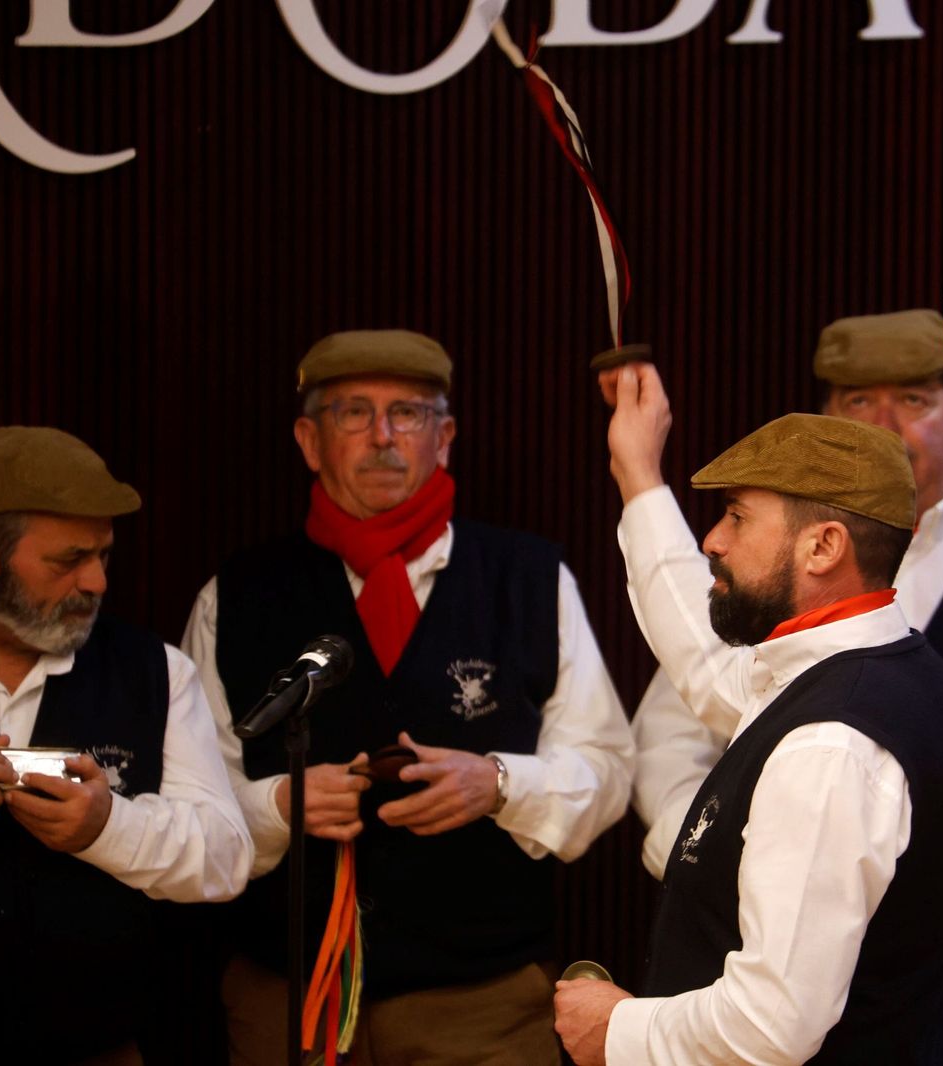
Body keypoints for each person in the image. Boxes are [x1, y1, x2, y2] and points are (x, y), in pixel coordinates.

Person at [630, 310, 943, 1056]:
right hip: (804, 1007)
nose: (883, 424)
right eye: (857, 401)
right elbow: (700, 689)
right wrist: (713, 856)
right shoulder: (764, 590)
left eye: (912, 399)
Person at [182, 329, 634, 1065]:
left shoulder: (529, 578)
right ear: (310, 441)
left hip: (485, 1004)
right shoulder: (235, 596)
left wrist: (499, 784)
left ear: (444, 438)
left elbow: (608, 768)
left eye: (409, 414)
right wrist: (278, 806)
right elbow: (191, 796)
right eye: (354, 413)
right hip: (290, 1002)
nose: (383, 437)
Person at [553, 361, 943, 1065]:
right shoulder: (881, 668)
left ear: (823, 547)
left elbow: (769, 1025)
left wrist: (618, 1029)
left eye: (737, 517)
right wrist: (637, 473)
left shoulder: (830, 745)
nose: (712, 541)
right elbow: (704, 662)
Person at [0, 426, 251, 1063]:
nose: (98, 582)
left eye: (104, 555)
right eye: (69, 560)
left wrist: (108, 827)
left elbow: (225, 858)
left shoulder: (154, 671)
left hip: (100, 1048)